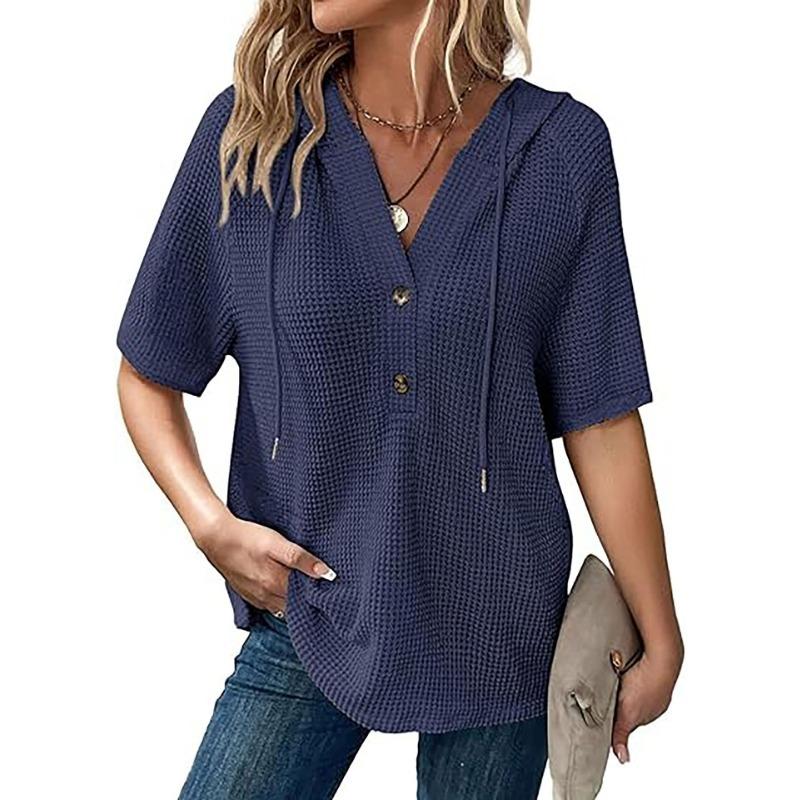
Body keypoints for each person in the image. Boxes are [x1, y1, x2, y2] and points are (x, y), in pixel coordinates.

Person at [116, 1, 683, 797]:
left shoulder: (560, 153)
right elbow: (148, 371)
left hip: (500, 637)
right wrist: (209, 524)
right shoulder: (258, 137)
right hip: (309, 608)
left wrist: (661, 633)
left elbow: (601, 413)